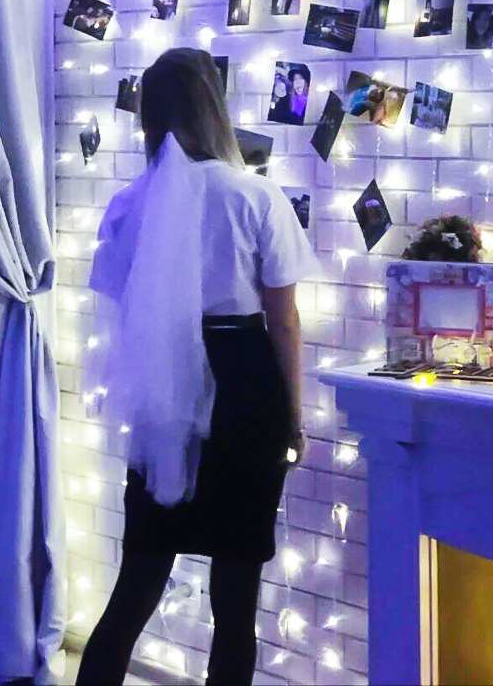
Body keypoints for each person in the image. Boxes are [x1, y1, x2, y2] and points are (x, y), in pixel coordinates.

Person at [75, 48, 317, 686]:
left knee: (136, 581)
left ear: (149, 115)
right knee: (235, 599)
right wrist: (294, 418)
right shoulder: (255, 194)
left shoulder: (128, 204)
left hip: (164, 385)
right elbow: (284, 320)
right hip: (245, 385)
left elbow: (119, 306)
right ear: (215, 107)